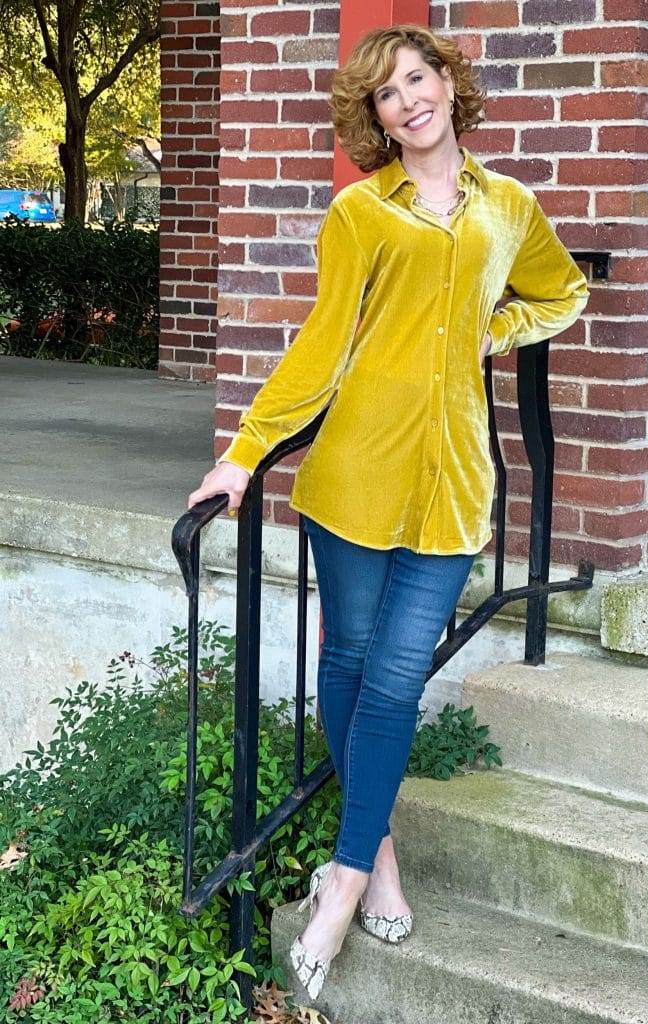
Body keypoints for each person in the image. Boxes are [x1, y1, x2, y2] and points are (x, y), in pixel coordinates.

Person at [187, 23, 589, 1001]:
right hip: (356, 476)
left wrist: (496, 329)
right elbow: (323, 345)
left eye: (419, 77)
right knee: (353, 664)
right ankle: (382, 857)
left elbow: (564, 292)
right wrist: (244, 454)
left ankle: (348, 875)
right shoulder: (361, 212)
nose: (408, 99)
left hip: (452, 488)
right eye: (386, 93)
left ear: (449, 83)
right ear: (374, 117)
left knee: (398, 681)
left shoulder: (512, 208)